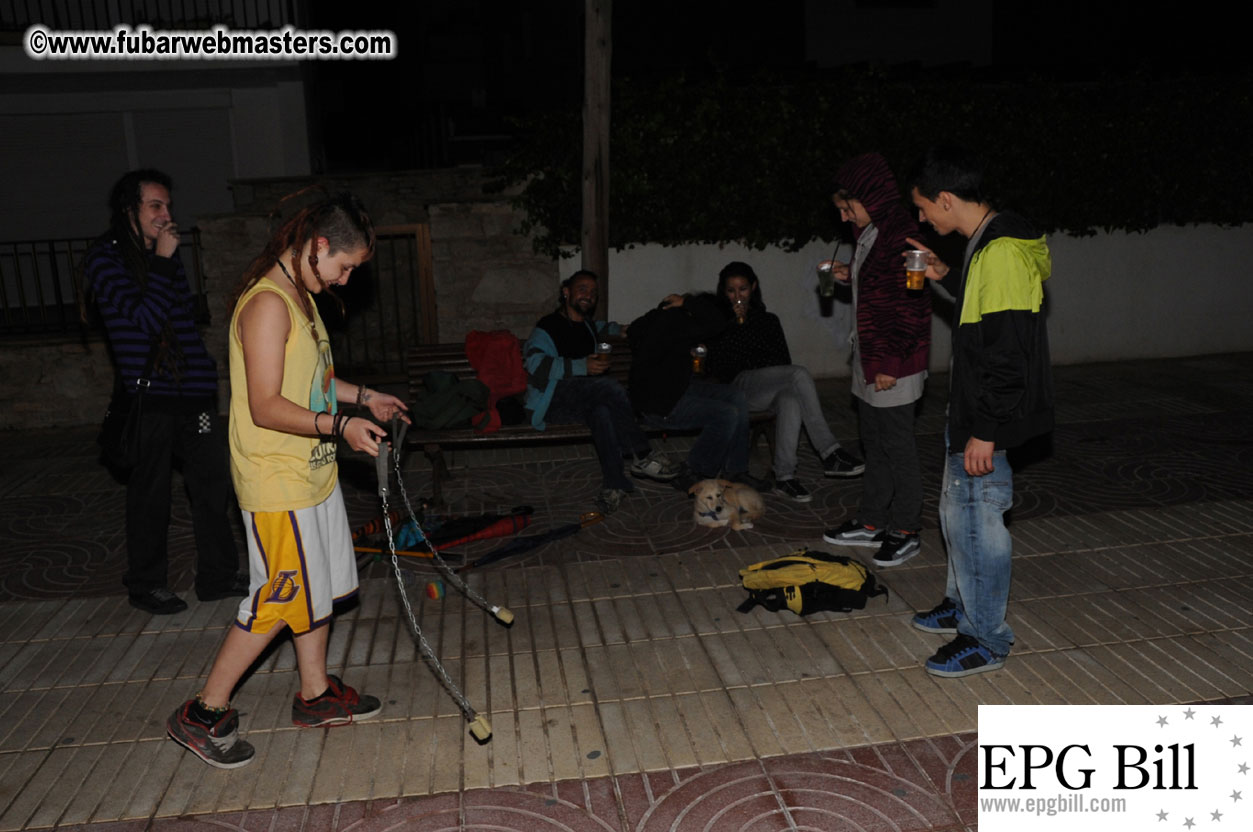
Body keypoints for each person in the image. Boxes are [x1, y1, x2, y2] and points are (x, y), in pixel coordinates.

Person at [166, 194, 410, 768]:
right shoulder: (270, 304)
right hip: (277, 479)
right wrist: (340, 425)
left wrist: (365, 397)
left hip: (311, 474)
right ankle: (202, 712)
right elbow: (265, 405)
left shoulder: (303, 298)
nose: (347, 279)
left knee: (314, 587)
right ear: (318, 246)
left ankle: (315, 694)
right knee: (278, 597)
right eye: (345, 266)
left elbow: (316, 381)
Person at [905, 146, 1053, 678]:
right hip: (970, 407)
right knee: (956, 513)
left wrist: (986, 431)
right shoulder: (984, 244)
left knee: (978, 521)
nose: (922, 218)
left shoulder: (1004, 251)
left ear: (946, 199)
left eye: (924, 207)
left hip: (988, 415)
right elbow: (982, 309)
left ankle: (986, 636)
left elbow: (1009, 354)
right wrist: (946, 273)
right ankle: (960, 602)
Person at [86, 169, 246, 615]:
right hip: (148, 397)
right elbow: (145, 320)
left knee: (213, 483)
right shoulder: (105, 259)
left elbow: (180, 322)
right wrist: (161, 259)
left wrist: (204, 375)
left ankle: (216, 576)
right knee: (150, 493)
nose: (166, 215)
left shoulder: (165, 256)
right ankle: (146, 584)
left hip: (191, 395)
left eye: (167, 206)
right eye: (155, 206)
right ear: (129, 211)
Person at [819, 153, 932, 567]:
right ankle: (871, 523)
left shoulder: (900, 235)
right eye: (842, 210)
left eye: (850, 207)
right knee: (873, 443)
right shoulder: (871, 232)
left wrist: (889, 362)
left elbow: (911, 305)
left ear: (873, 195)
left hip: (893, 361)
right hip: (869, 355)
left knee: (897, 448)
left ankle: (906, 529)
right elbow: (878, 283)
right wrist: (850, 274)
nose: (847, 215)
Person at [705, 261, 863, 504]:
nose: (738, 296)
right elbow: (719, 368)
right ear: (723, 292)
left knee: (791, 399)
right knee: (799, 374)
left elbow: (781, 362)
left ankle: (784, 476)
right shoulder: (718, 322)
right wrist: (731, 325)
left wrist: (751, 330)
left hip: (765, 388)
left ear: (753, 287)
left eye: (743, 289)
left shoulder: (768, 320)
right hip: (737, 389)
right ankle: (830, 451)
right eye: (731, 290)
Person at [523, 270, 679, 513]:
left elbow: (605, 327)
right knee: (607, 386)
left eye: (593, 293)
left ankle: (614, 483)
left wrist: (626, 330)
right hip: (554, 401)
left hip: (587, 398)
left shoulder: (588, 326)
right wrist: (581, 366)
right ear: (566, 292)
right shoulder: (548, 326)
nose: (589, 296)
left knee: (603, 411)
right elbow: (533, 364)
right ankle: (642, 453)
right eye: (582, 289)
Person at [627, 291, 769, 493]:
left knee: (734, 395)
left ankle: (736, 471)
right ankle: (693, 472)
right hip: (660, 405)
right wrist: (688, 302)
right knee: (726, 414)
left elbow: (634, 330)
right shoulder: (674, 320)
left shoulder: (668, 321)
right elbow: (716, 323)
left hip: (673, 390)